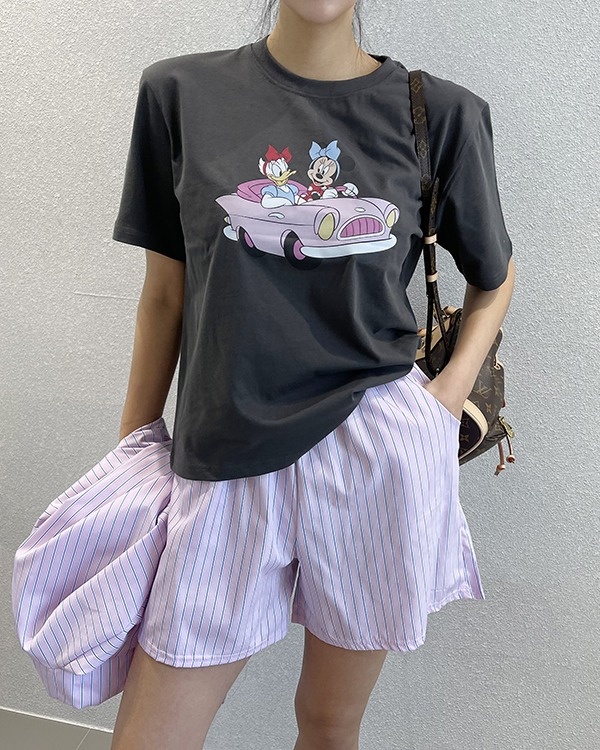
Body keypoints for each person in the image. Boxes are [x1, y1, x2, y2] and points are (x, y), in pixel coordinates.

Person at [109, 1, 515, 748]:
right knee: (151, 734)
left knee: (329, 725)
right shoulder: (180, 94)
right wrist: (134, 453)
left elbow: (495, 275)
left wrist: (441, 403)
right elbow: (165, 295)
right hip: (226, 452)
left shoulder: (441, 114)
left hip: (376, 455)